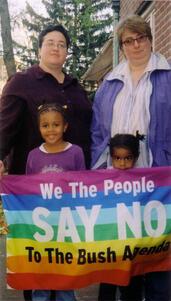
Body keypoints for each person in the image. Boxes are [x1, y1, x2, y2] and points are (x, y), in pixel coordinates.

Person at [0, 24, 92, 301]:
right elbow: (4, 127)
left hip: (71, 190)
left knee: (65, 253)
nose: (56, 48)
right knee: (37, 255)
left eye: (62, 44)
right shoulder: (21, 82)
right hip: (33, 192)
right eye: (50, 42)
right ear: (40, 48)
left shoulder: (75, 87)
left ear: (66, 52)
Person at [91, 14, 171, 301]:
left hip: (158, 182)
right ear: (122, 45)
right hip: (118, 183)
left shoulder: (168, 77)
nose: (135, 45)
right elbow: (98, 133)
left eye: (141, 38)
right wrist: (98, 172)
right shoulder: (110, 83)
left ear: (150, 39)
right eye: (128, 41)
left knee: (158, 251)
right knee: (123, 253)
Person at [26, 103, 85, 301]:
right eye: (45, 125)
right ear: (39, 128)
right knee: (41, 271)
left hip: (67, 224)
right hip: (42, 225)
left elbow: (84, 187)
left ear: (65, 126)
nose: (51, 130)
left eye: (56, 125)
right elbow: (27, 189)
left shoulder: (76, 152)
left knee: (65, 273)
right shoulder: (33, 156)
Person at [98, 133, 144, 301]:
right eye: (117, 158)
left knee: (133, 286)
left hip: (132, 247)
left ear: (136, 157)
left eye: (127, 158)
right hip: (109, 245)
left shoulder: (143, 181)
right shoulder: (102, 180)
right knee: (107, 286)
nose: (122, 163)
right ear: (111, 157)